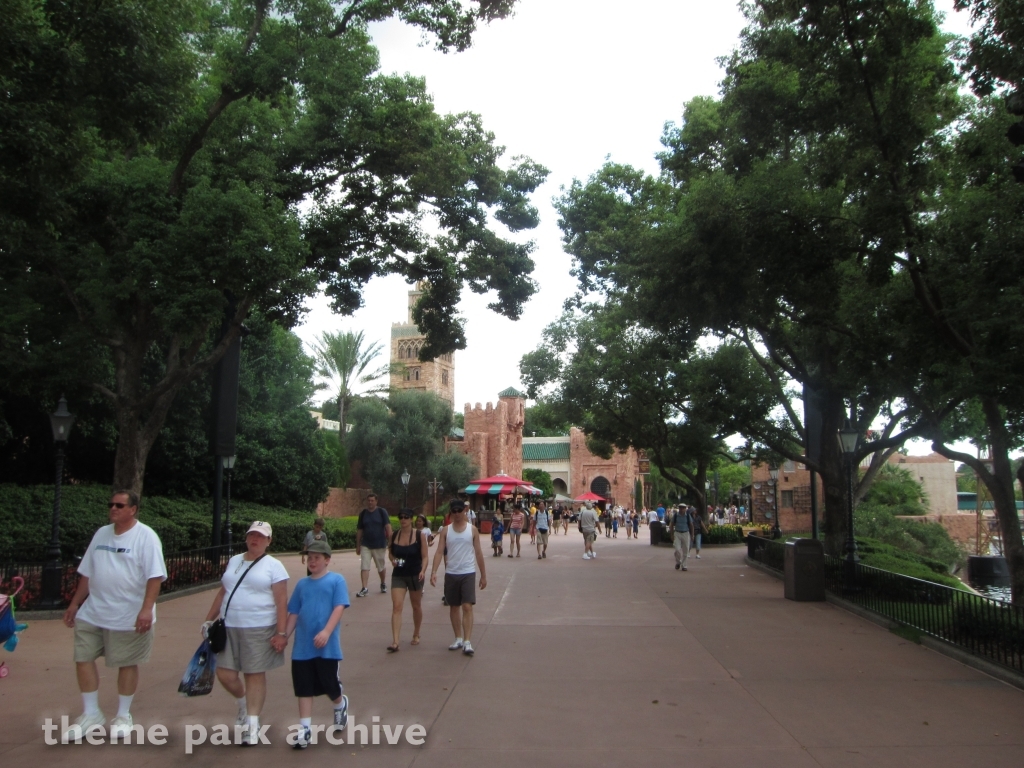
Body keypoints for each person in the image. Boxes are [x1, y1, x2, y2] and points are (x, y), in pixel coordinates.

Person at [61, 490, 167, 740]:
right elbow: (88, 572)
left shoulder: (146, 537)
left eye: (120, 505)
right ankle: (91, 714)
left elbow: (155, 576)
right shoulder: (101, 534)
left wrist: (146, 609)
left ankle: (122, 715)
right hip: (94, 612)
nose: (113, 509)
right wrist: (75, 603)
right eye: (111, 504)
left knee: (126, 662)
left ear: (133, 509)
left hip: (128, 615)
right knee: (83, 657)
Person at [202, 521, 289, 745]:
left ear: (269, 541)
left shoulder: (274, 566)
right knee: (225, 674)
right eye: (252, 535)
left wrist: (282, 632)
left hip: (259, 626)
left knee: (254, 674)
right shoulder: (235, 560)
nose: (255, 539)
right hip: (229, 625)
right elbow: (224, 591)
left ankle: (252, 723)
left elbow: (281, 601)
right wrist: (209, 619)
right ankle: (242, 703)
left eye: (260, 536)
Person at [284, 540, 350, 749]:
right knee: (304, 687)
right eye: (309, 558)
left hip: (327, 646)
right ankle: (304, 729)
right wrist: (284, 635)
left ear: (327, 560)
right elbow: (294, 612)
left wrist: (327, 631)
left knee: (329, 683)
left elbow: (339, 607)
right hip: (303, 646)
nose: (312, 561)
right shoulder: (302, 585)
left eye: (317, 558)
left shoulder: (336, 580)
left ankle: (340, 704)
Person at [430, 499, 487, 656]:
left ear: (464, 511)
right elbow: (439, 551)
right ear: (451, 513)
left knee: (467, 606)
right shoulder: (446, 531)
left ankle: (467, 641)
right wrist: (434, 571)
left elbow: (479, 552)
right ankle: (458, 637)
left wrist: (483, 575)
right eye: (453, 511)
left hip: (468, 572)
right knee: (454, 606)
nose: (456, 514)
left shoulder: (472, 530)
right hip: (452, 572)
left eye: (459, 511)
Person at [387, 509, 428, 651]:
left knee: (416, 605)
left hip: (415, 574)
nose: (403, 520)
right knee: (397, 606)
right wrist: (393, 560)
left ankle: (416, 633)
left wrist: (423, 571)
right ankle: (396, 641)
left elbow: (424, 556)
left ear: (411, 519)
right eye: (401, 517)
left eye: (406, 517)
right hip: (399, 573)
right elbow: (390, 553)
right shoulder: (394, 535)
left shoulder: (419, 535)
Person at [355, 493, 392, 597]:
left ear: (376, 501)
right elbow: (360, 530)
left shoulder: (381, 512)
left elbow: (388, 526)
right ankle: (364, 587)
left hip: (379, 544)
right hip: (366, 544)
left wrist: (391, 542)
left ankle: (383, 582)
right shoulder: (363, 514)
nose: (370, 502)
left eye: (372, 500)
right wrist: (358, 545)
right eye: (368, 500)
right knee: (364, 566)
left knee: (380, 566)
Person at [669, 506, 695, 571]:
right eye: (680, 508)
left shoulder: (687, 516)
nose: (682, 509)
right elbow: (671, 524)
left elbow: (691, 525)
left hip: (685, 533)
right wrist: (671, 534)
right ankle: (678, 562)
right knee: (677, 549)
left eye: (683, 508)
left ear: (685, 509)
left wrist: (692, 535)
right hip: (677, 533)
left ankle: (684, 565)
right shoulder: (676, 515)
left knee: (686, 549)